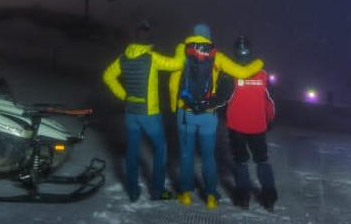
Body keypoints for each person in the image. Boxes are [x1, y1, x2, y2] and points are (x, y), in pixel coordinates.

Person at [168, 23, 263, 209]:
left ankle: (185, 194)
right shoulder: (215, 55)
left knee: (186, 155)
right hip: (208, 115)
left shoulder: (183, 51)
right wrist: (259, 62)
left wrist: (176, 107)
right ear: (208, 37)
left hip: (185, 112)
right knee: (208, 156)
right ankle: (211, 196)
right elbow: (242, 72)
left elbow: (173, 83)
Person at [102, 21, 184, 201]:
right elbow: (177, 64)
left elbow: (107, 76)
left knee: (132, 151)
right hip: (149, 113)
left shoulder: (123, 58)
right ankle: (158, 190)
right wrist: (180, 47)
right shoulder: (152, 58)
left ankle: (132, 191)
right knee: (160, 148)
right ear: (149, 41)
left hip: (131, 112)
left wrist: (124, 95)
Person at [223, 36, 278, 210]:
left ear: (235, 52)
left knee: (241, 162)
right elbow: (269, 101)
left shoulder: (231, 73)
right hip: (257, 126)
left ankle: (243, 197)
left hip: (236, 125)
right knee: (262, 161)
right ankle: (269, 198)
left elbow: (225, 99)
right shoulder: (262, 74)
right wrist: (269, 119)